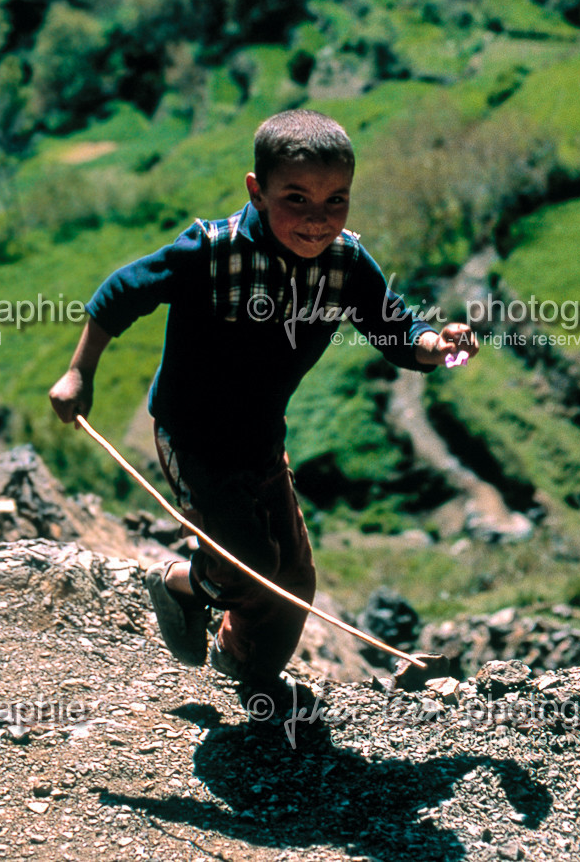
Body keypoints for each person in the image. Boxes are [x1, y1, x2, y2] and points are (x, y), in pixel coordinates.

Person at [49, 109, 474, 717]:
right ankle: (178, 584)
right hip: (192, 434)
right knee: (251, 564)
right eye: (295, 198)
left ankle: (248, 668)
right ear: (257, 189)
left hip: (260, 440)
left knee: (294, 582)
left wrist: (435, 345)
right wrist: (78, 372)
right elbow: (121, 292)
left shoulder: (345, 265)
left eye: (336, 200)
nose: (317, 218)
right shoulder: (213, 251)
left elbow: (392, 325)